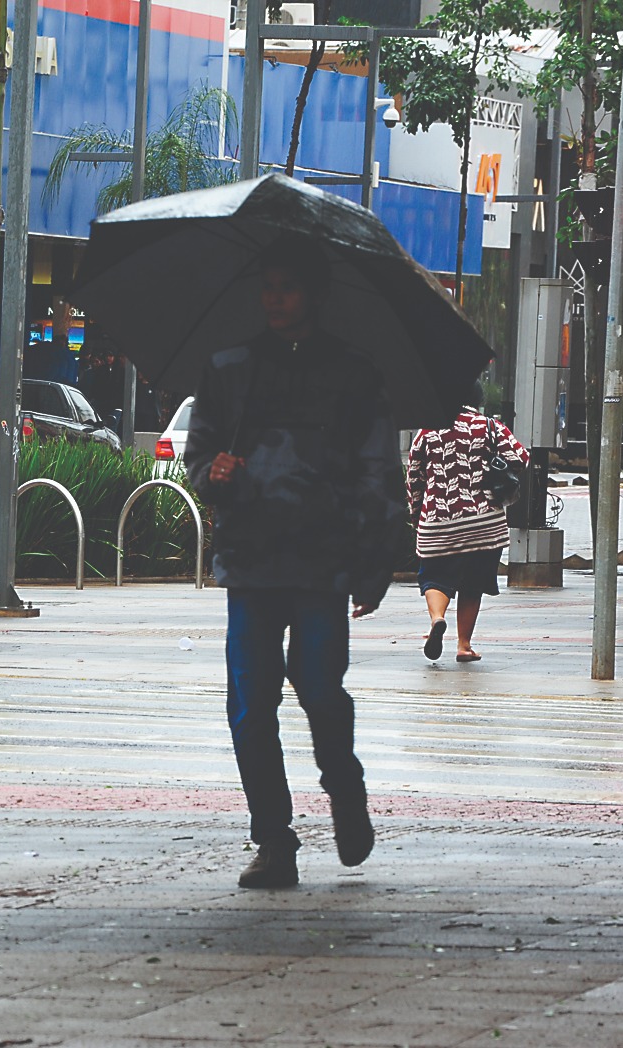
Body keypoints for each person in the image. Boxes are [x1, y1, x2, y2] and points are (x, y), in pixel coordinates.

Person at [185, 237, 407, 890]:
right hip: (250, 563)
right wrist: (213, 472)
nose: (274, 298)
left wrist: (375, 562)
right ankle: (273, 839)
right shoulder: (229, 369)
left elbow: (379, 472)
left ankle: (343, 783)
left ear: (314, 294)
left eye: (287, 286)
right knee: (249, 707)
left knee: (320, 690)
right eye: (268, 286)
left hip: (321, 564)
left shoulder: (353, 375)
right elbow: (198, 457)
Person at [406, 393, 530, 662]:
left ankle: (437, 619)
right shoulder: (489, 426)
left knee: (434, 576)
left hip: (438, 522)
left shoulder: (427, 432)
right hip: (484, 524)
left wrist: (418, 516)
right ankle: (464, 646)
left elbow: (414, 477)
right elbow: (521, 458)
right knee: (473, 584)